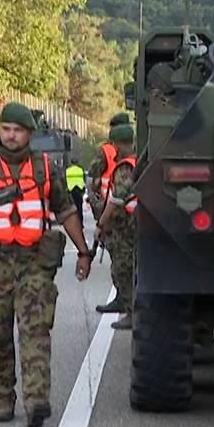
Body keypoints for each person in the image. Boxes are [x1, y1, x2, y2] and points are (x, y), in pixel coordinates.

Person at [0, 102, 92, 427]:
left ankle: (37, 399)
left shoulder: (46, 169)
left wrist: (83, 251)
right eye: (6, 129)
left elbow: (66, 211)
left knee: (35, 330)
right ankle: (2, 397)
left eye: (18, 130)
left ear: (29, 134)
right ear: (0, 129)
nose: (10, 136)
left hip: (34, 262)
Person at [87, 115, 132, 313]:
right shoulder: (140, 153)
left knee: (122, 264)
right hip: (128, 218)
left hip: (118, 217)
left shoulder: (108, 152)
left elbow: (95, 178)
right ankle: (126, 302)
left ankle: (128, 306)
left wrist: (100, 221)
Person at [95, 121, 136, 330]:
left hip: (125, 227)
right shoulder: (138, 161)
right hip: (133, 225)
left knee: (123, 269)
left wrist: (101, 223)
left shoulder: (125, 167)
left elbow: (117, 199)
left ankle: (132, 312)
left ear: (117, 145)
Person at [65, 156, 86, 225]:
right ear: (77, 162)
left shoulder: (67, 170)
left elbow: (65, 180)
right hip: (79, 190)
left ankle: (74, 224)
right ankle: (81, 223)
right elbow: (84, 179)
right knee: (79, 208)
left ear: (71, 163)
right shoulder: (80, 170)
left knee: (72, 209)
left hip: (70, 191)